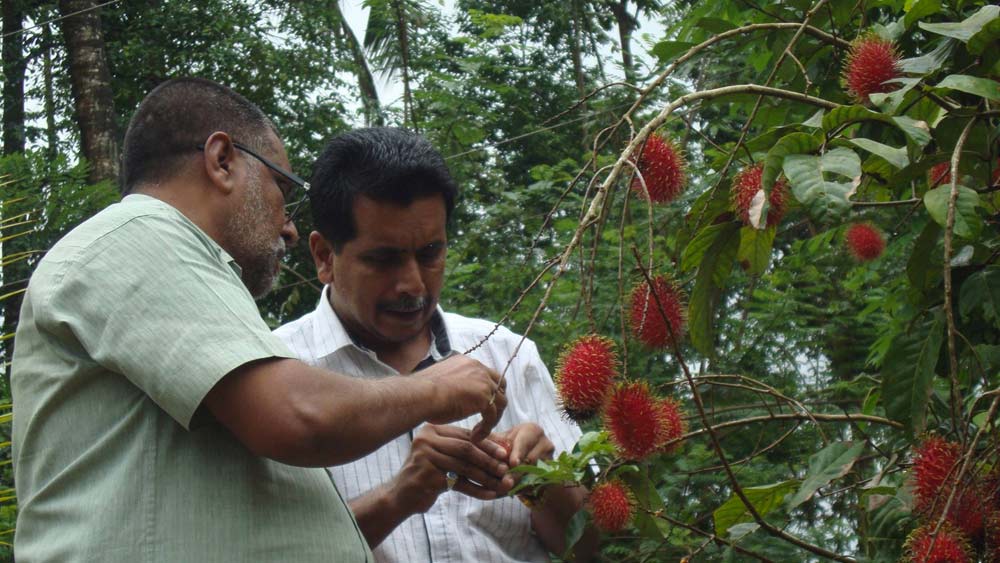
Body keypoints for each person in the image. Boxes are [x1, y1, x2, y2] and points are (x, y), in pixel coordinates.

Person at [10, 78, 507, 562]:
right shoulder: (139, 234)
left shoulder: (184, 275)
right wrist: (436, 387)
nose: (289, 227)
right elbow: (296, 416)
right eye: (282, 190)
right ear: (222, 161)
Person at [274, 127, 596, 562]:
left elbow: (601, 551)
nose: (412, 283)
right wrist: (397, 498)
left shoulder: (510, 356)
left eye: (430, 253)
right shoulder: (276, 376)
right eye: (383, 259)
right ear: (325, 257)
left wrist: (547, 483)